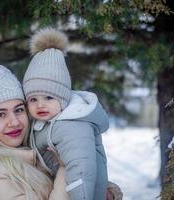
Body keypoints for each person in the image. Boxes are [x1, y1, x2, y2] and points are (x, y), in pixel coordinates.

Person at [0, 49, 69, 200]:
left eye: (18, 110)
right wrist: (65, 171)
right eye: (0, 114)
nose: (14, 122)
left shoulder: (32, 155)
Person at [23, 27, 109, 200]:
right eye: (33, 99)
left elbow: (81, 169)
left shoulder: (72, 125)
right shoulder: (45, 123)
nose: (40, 104)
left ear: (62, 98)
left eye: (48, 97)